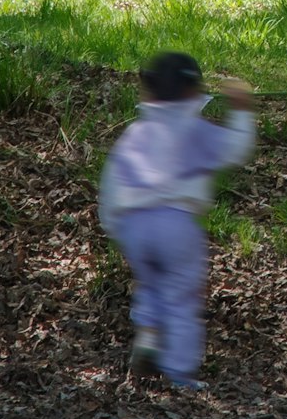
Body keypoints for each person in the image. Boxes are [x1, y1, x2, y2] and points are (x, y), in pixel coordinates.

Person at [98, 51, 257, 387]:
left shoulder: (136, 134)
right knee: (182, 296)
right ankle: (180, 373)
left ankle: (149, 339)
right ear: (192, 92)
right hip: (176, 225)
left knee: (151, 284)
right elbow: (236, 148)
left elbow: (112, 183)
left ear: (149, 93)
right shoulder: (195, 130)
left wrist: (115, 226)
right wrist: (241, 109)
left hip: (133, 225)